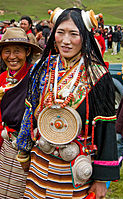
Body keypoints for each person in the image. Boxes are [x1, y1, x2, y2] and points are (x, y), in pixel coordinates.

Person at [16, 7, 120, 199]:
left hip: (74, 165)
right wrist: (23, 149)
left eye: (74, 34)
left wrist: (100, 180)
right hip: (40, 157)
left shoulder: (98, 75)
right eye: (60, 32)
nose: (65, 40)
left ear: (85, 36)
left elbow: (106, 127)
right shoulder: (43, 67)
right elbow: (29, 111)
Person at [0, 27, 42, 198]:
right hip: (4, 144)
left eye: (17, 51)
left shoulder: (36, 77)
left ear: (27, 52)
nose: (12, 57)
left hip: (27, 148)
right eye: (7, 51)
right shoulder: (2, 78)